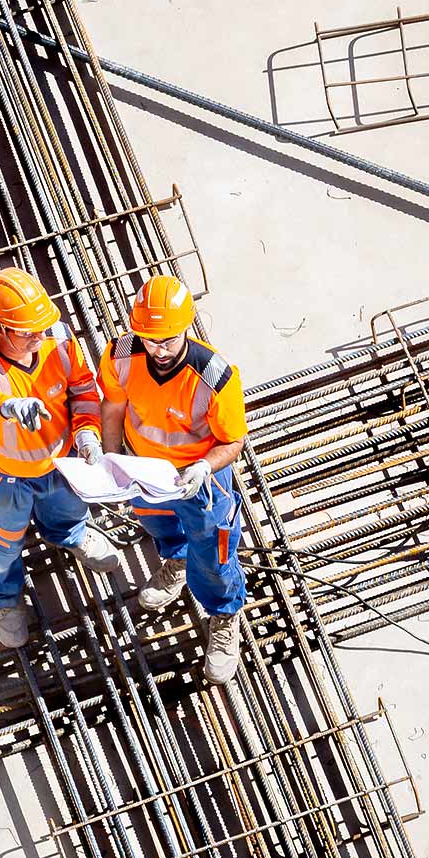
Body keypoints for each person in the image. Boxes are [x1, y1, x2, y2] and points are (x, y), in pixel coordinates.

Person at [0, 267, 122, 648]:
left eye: (44, 326)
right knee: (1, 545)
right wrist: (9, 405)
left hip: (62, 464)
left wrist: (86, 433)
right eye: (28, 331)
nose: (40, 336)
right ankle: (2, 597)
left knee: (69, 512)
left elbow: (82, 389)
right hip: (5, 478)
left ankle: (72, 535)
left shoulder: (59, 341)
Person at [98, 275, 249, 683]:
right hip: (145, 472)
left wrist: (203, 467)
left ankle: (224, 614)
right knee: (158, 523)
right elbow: (113, 406)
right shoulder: (121, 354)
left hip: (201, 483)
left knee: (216, 554)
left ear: (185, 328)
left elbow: (233, 441)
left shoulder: (216, 376)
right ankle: (177, 560)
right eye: (149, 338)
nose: (157, 349)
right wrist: (113, 458)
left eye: (166, 340)